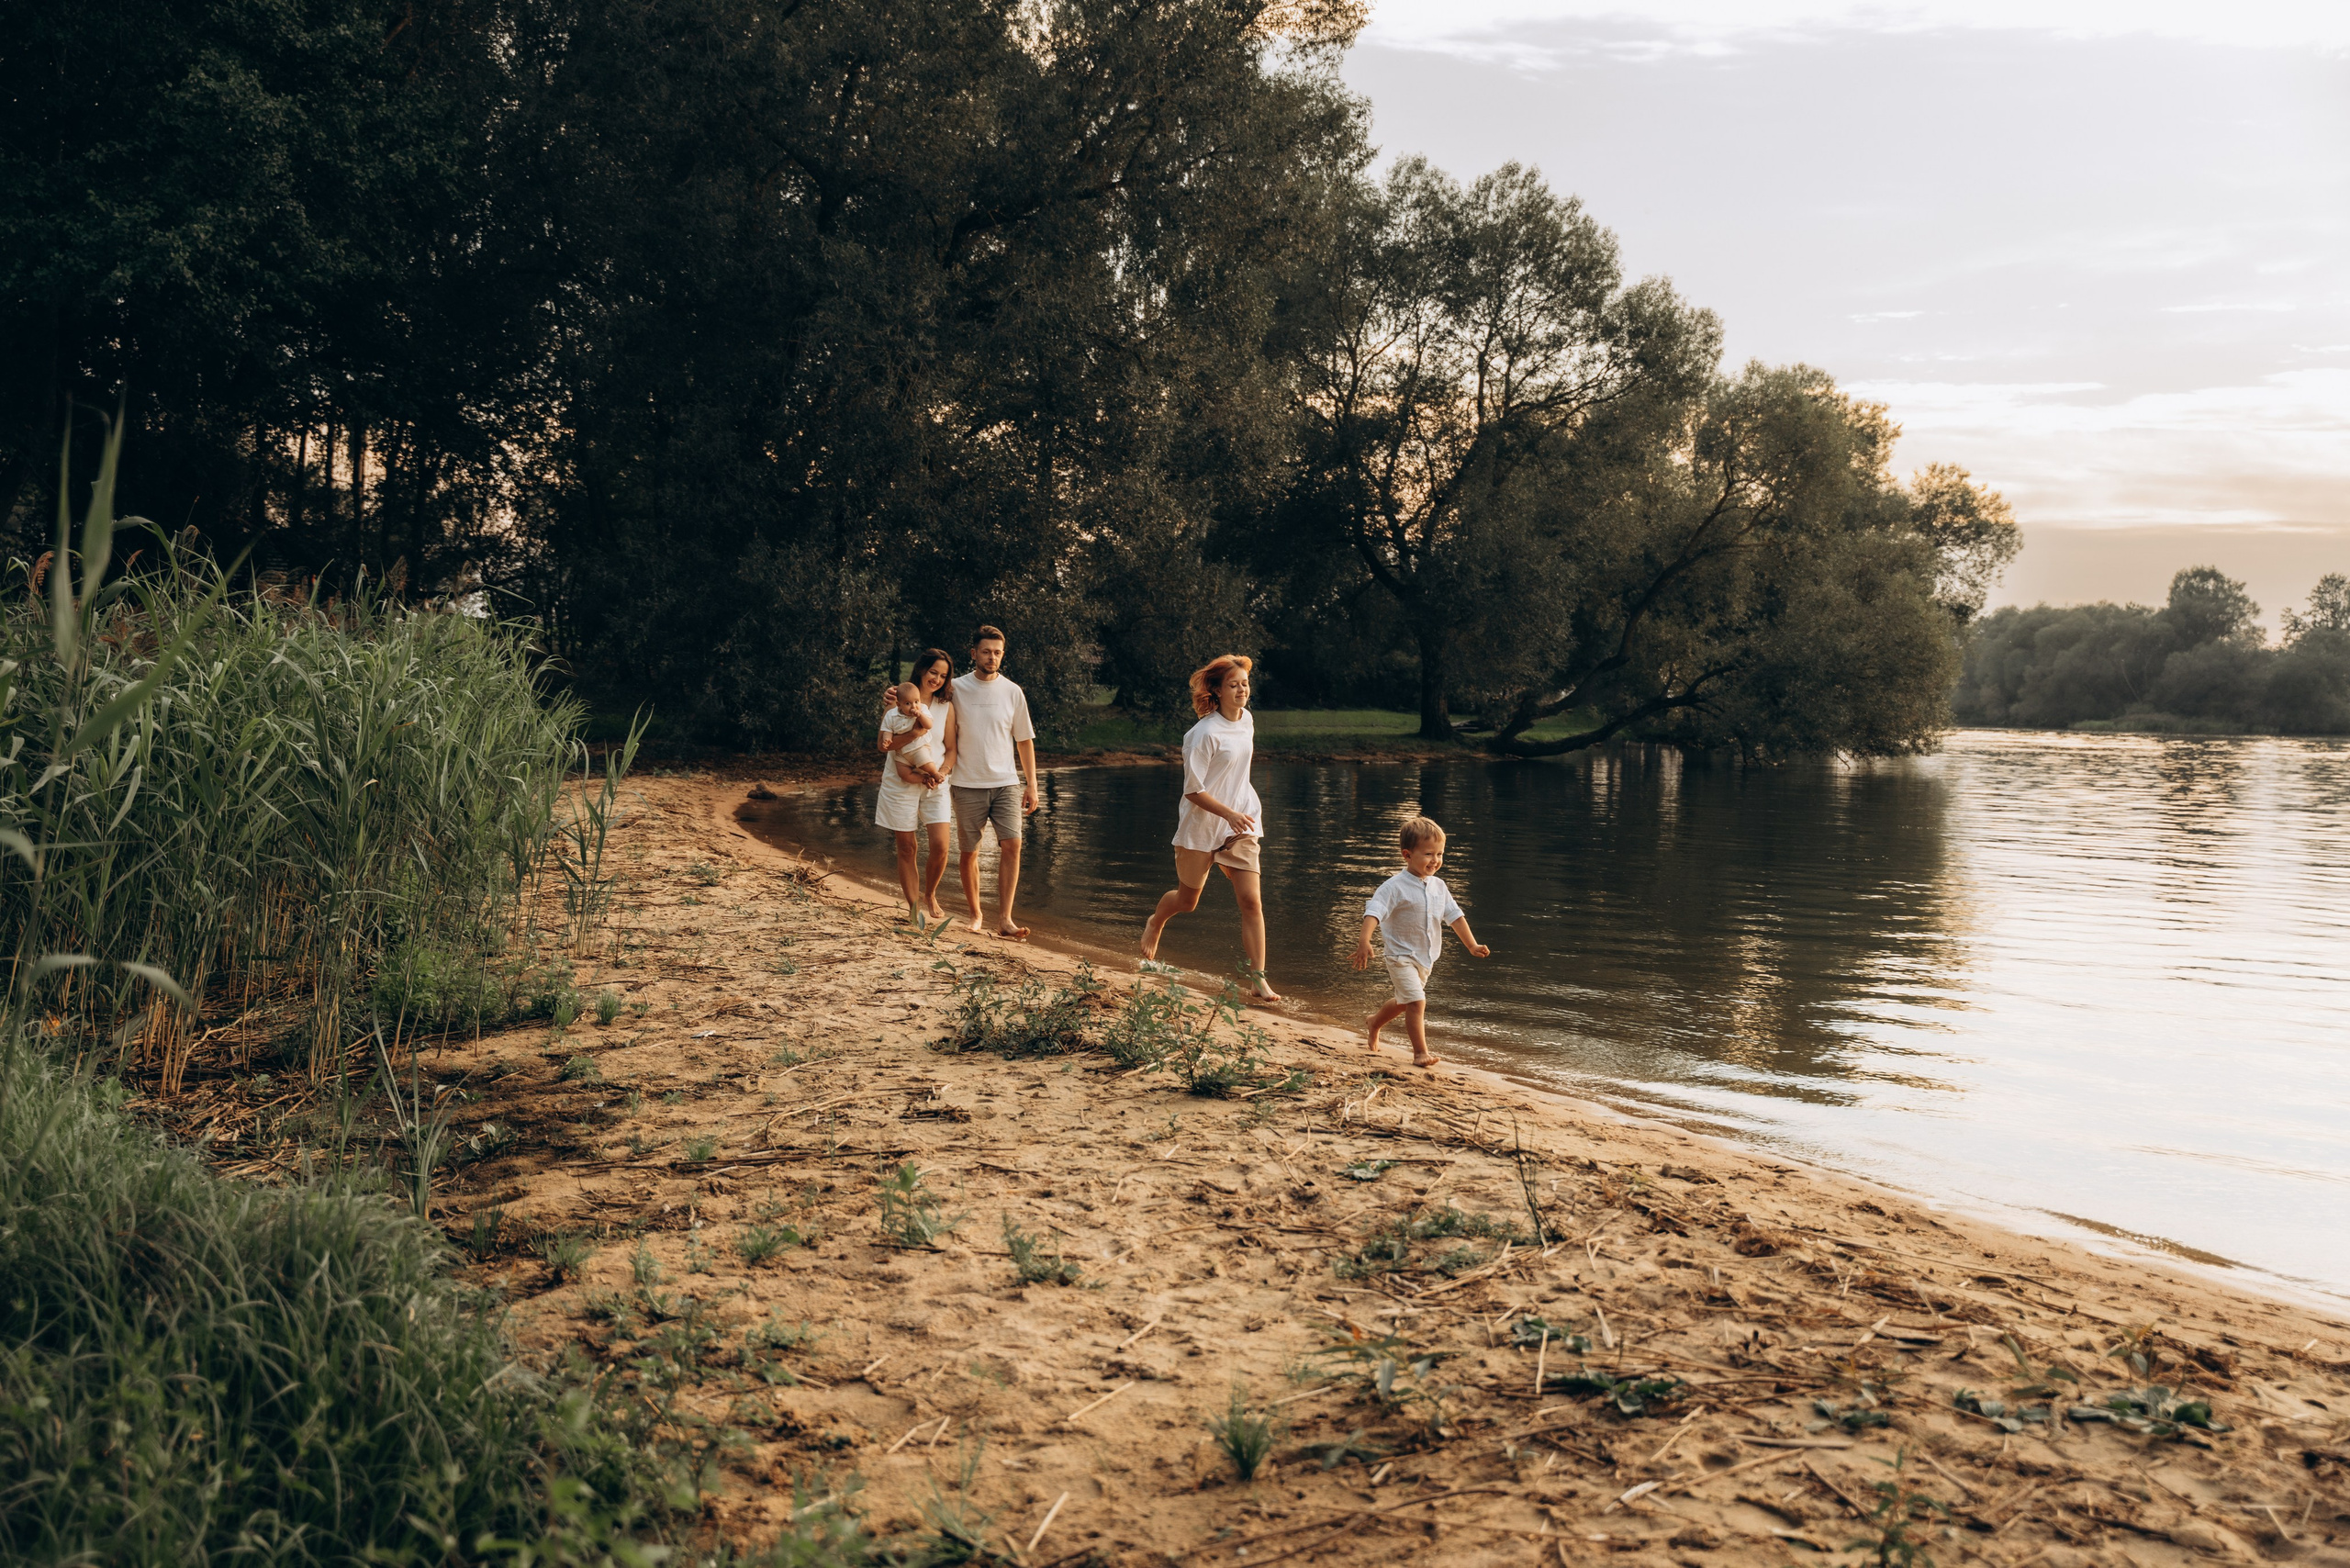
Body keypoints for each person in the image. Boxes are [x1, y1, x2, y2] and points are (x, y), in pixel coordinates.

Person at [1138, 654, 1281, 1001]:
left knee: (1251, 901)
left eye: (1245, 683)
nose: (1242, 690)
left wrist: (1235, 815)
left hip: (1242, 821)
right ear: (1216, 690)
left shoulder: (1247, 720)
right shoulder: (1201, 734)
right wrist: (1226, 813)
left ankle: (1258, 979)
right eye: (1233, 685)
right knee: (1187, 902)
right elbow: (1193, 789)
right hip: (1202, 824)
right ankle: (1156, 921)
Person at [1351, 815, 1489, 1069]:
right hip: (1400, 956)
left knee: (1405, 1002)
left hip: (1427, 957)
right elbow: (1374, 912)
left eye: (1440, 854)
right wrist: (1364, 941)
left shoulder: (1439, 886)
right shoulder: (1394, 887)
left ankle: (1374, 1022)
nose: (1435, 860)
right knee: (1417, 1001)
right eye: (1428, 854)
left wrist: (1472, 945)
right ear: (1407, 854)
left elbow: (1455, 916)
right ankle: (1420, 1053)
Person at [938, 625, 1039, 938]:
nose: (991, 657)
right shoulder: (955, 689)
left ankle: (1006, 919)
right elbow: (921, 699)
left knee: (1013, 845)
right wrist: (892, 696)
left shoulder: (1012, 691)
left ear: (1002, 655)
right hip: (967, 783)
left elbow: (1024, 740)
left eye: (997, 652)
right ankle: (975, 914)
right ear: (974, 654)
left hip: (1006, 783)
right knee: (969, 852)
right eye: (986, 651)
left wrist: (1032, 785)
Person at [874, 652, 954, 921]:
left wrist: (940, 772)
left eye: (943, 675)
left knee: (941, 846)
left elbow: (952, 750)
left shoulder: (946, 706)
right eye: (933, 672)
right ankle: (912, 908)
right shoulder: (896, 703)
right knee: (907, 847)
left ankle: (930, 893)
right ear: (921, 670)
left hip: (935, 779)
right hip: (900, 779)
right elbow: (883, 746)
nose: (937, 679)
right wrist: (915, 733)